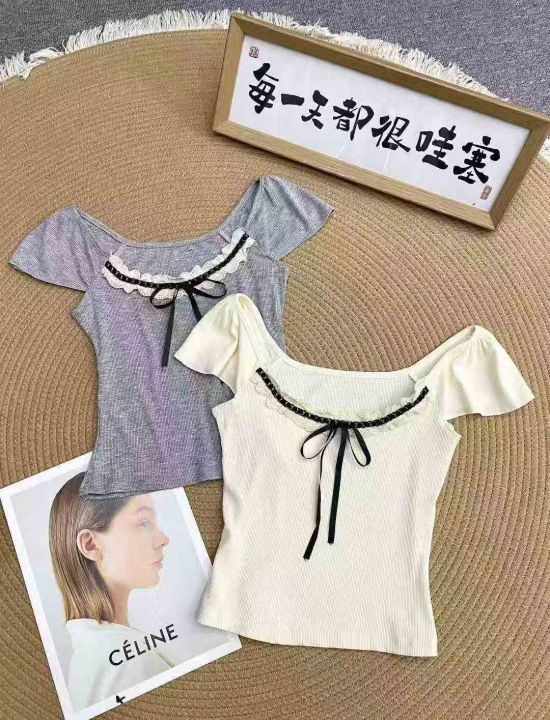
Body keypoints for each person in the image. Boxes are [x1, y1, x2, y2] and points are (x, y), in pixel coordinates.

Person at [49, 473, 173, 710]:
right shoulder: (116, 658)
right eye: (144, 523)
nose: (163, 539)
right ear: (91, 545)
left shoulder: (103, 650)